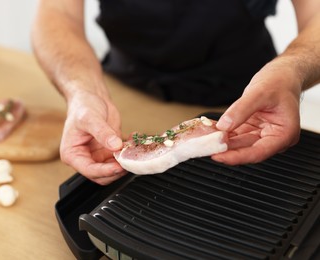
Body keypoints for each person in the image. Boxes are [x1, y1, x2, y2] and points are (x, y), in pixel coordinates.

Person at [31, 0, 320, 185]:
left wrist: (292, 69)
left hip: (244, 104)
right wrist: (82, 91)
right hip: (119, 96)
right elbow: (58, 12)